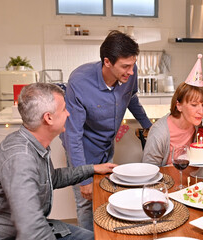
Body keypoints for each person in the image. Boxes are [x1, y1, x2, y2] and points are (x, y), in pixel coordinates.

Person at [0, 83, 116, 240]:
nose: (68, 114)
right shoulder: (20, 158)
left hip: (21, 229)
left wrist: (92, 169)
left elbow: (52, 178)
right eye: (64, 109)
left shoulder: (31, 143)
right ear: (48, 118)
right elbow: (32, 231)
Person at [61, 30, 152, 230]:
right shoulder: (79, 81)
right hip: (82, 151)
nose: (131, 71)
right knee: (86, 203)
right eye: (125, 66)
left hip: (106, 148)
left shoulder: (130, 72)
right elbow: (72, 135)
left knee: (107, 198)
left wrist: (148, 126)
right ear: (107, 62)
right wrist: (83, 178)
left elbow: (131, 98)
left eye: (133, 65)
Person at [142, 54, 203, 166]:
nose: (201, 111)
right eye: (194, 105)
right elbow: (149, 170)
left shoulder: (198, 127)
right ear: (179, 105)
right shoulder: (159, 132)